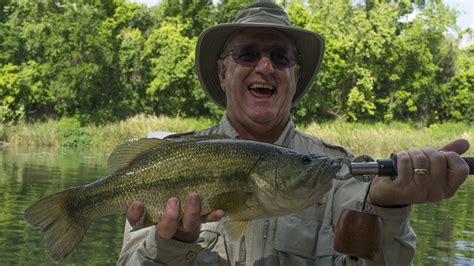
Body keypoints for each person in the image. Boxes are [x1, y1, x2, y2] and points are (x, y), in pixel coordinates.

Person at [117, 1, 470, 265]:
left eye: (281, 57)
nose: (266, 67)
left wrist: (389, 206)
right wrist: (169, 246)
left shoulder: (336, 170)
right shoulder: (168, 161)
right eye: (248, 54)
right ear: (223, 71)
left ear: (295, 76)